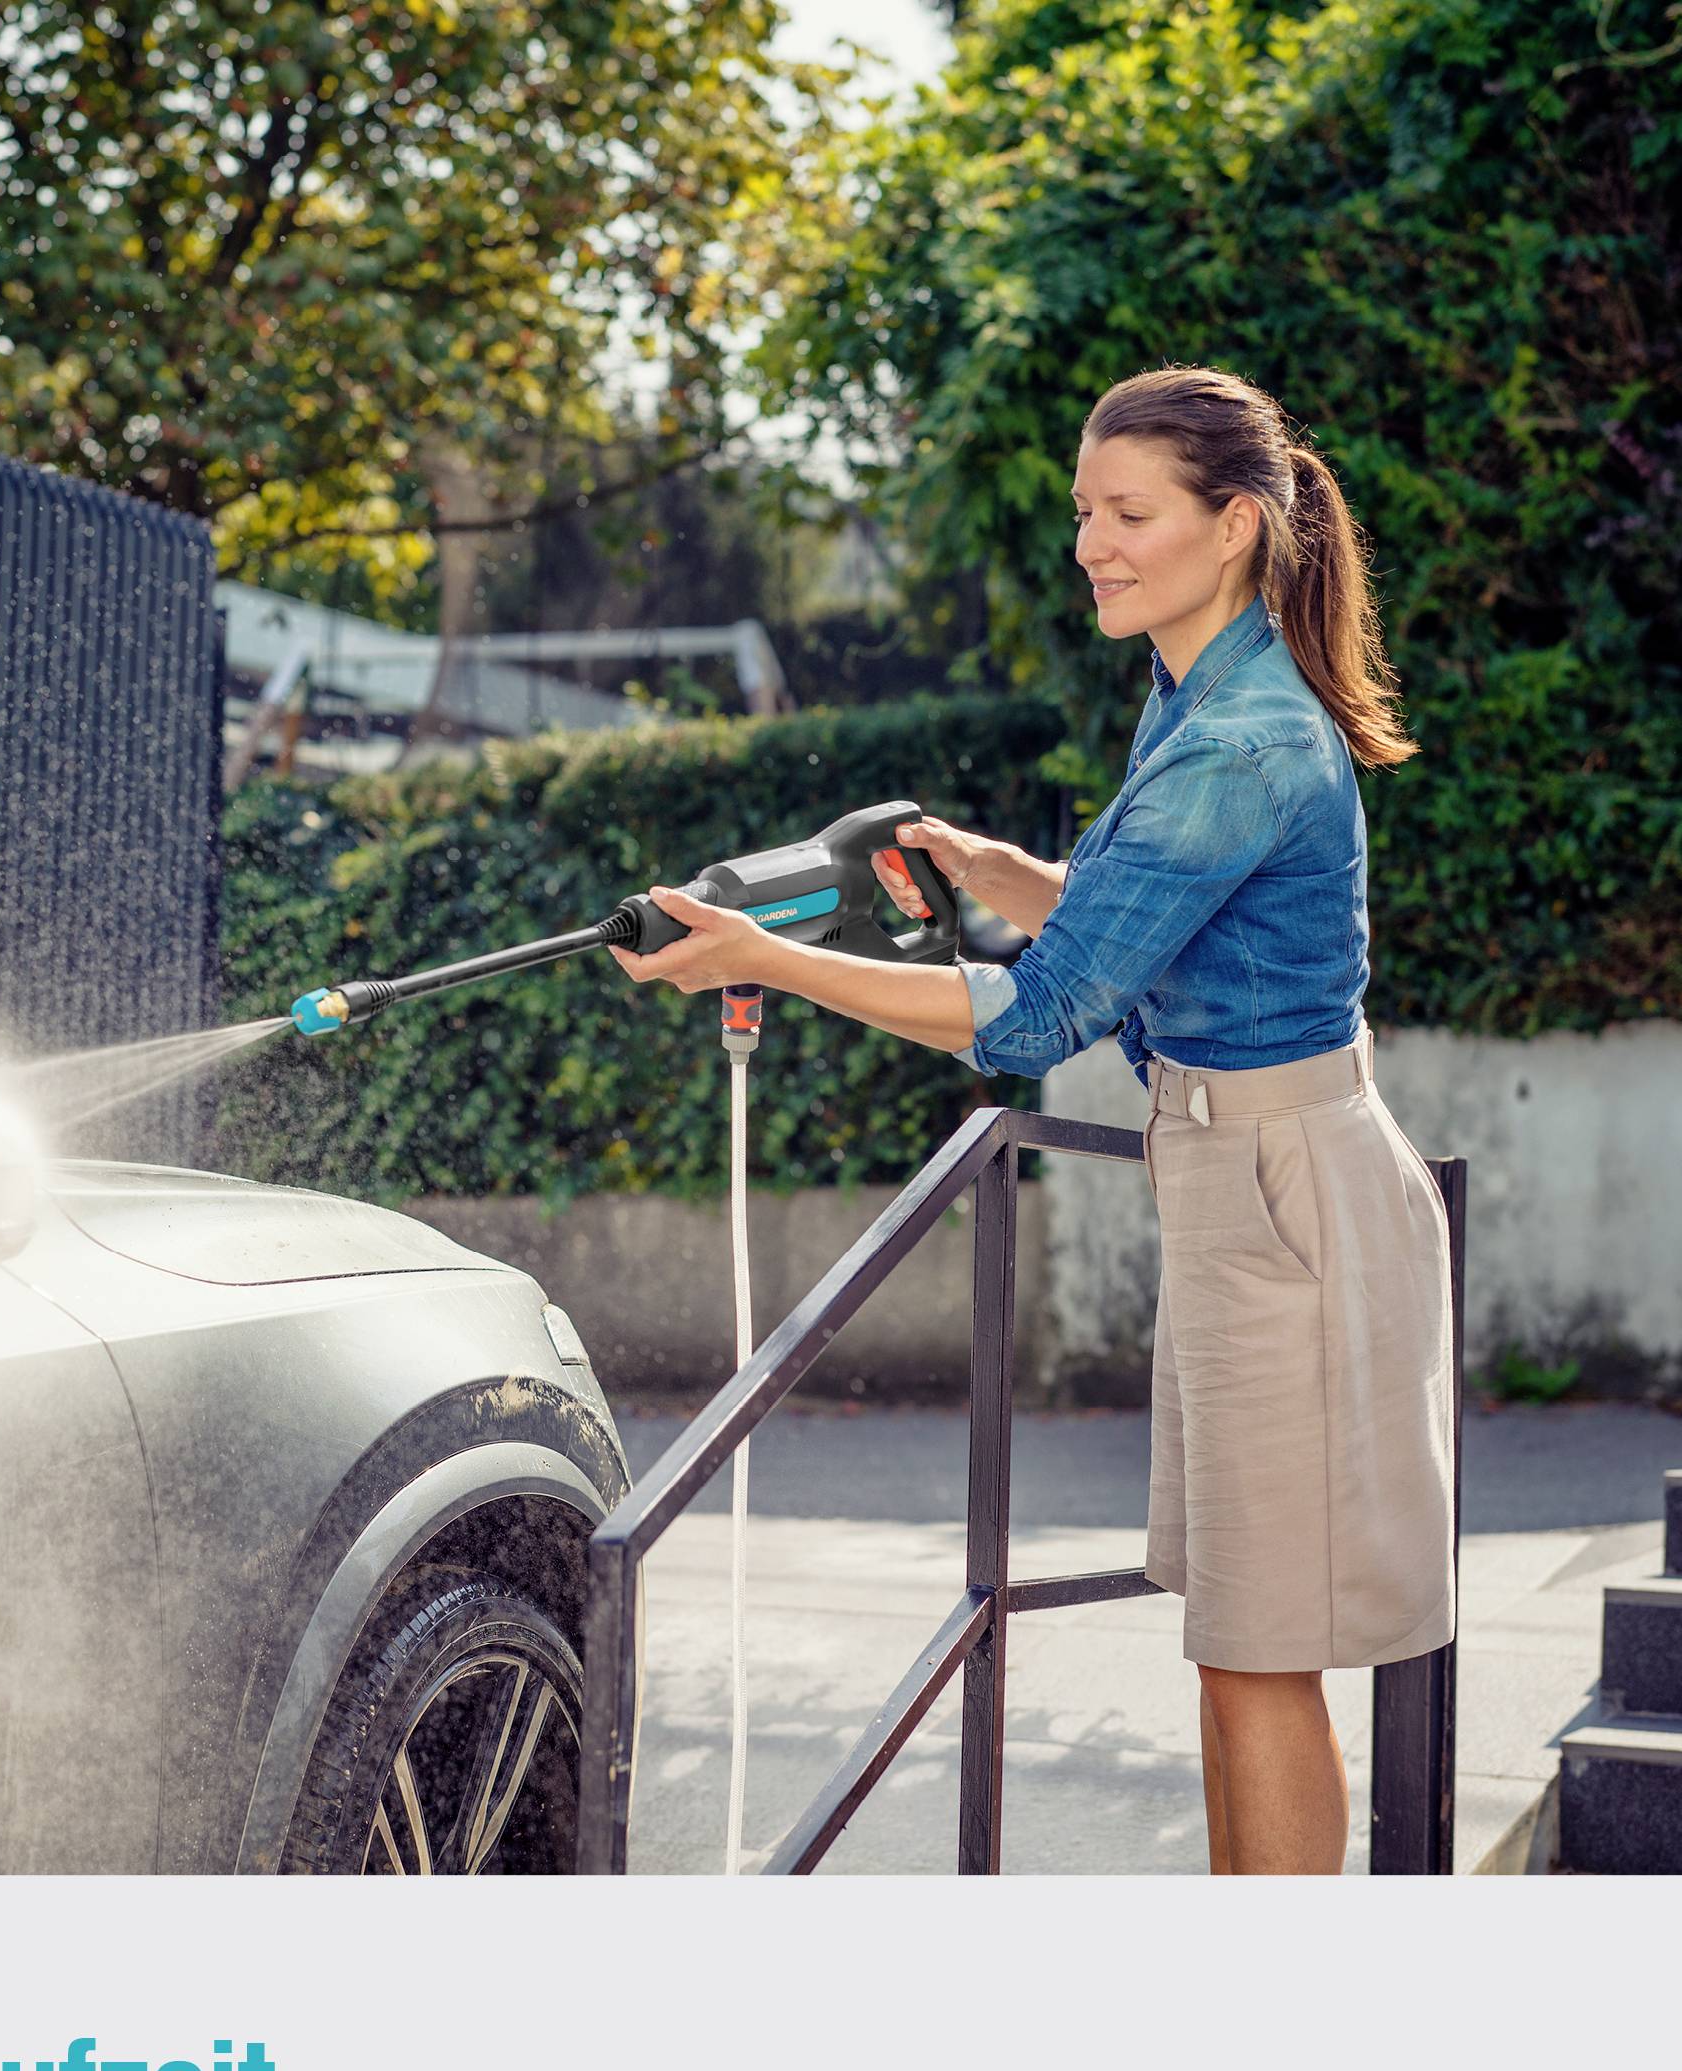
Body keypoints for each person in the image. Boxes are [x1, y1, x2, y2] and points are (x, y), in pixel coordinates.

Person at [607, 364, 1454, 1876]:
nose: (1091, 545)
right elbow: (1155, 932)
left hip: (1287, 1193)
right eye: (1084, 512)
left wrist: (760, 960)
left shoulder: (1241, 739)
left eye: (1128, 514)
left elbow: (1042, 1016)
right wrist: (1006, 871)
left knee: (1268, 1650)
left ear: (1240, 527)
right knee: (1234, 1635)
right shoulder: (1195, 690)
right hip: (1239, 1180)